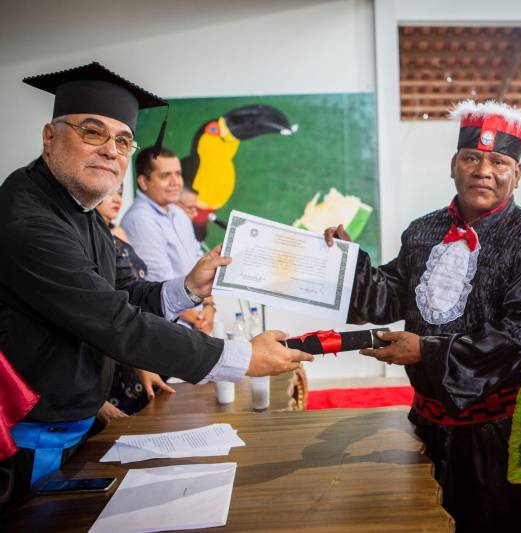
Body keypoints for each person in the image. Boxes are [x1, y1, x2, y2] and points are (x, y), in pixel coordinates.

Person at [0, 62, 312, 506]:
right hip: (23, 442)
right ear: (50, 137)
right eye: (93, 132)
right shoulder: (28, 219)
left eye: (123, 139)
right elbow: (115, 321)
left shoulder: (79, 210)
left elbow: (123, 292)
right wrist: (244, 358)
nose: (111, 150)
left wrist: (185, 287)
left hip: (76, 423)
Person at [325, 100, 521, 532]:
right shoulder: (422, 232)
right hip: (427, 423)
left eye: (498, 161)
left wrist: (426, 352)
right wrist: (349, 261)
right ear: (454, 165)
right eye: (472, 158)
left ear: (518, 173)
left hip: (498, 435)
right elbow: (389, 298)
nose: (483, 170)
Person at [95, 185, 174, 423]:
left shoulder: (118, 232)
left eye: (119, 191)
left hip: (132, 342)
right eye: (108, 192)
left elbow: (135, 291)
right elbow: (102, 310)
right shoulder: (86, 242)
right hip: (107, 348)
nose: (116, 198)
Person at [121, 147, 214, 333]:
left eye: (178, 174)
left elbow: (202, 262)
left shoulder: (178, 214)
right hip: (169, 331)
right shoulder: (140, 220)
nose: (176, 182)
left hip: (197, 324)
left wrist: (210, 308)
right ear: (143, 182)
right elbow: (158, 284)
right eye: (165, 176)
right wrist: (198, 321)